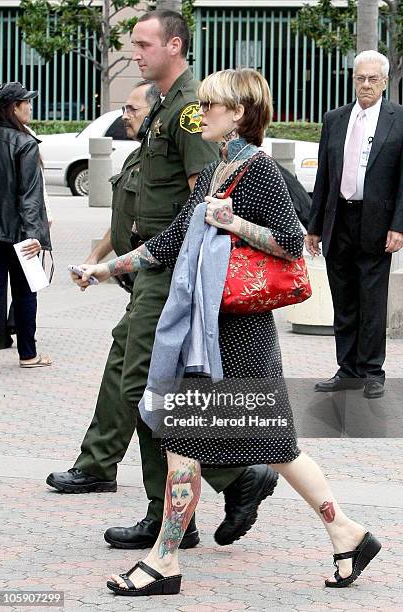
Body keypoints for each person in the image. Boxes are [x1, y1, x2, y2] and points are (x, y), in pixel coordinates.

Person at [76, 69, 381, 596]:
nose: (201, 115)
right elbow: (170, 241)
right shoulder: (222, 169)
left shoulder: (257, 168)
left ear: (238, 113)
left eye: (210, 107)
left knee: (207, 443)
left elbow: (291, 241)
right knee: (255, 445)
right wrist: (105, 268)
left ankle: (165, 561)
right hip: (212, 335)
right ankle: (347, 533)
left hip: (237, 336)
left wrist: (233, 223)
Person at [47, 10, 278, 550]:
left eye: (144, 44)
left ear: (174, 45)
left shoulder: (193, 107)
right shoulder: (165, 105)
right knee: (137, 377)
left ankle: (222, 482)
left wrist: (163, 260)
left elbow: (206, 199)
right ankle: (184, 502)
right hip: (152, 268)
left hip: (172, 270)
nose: (134, 53)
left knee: (150, 389)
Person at [306, 50, 403, 399]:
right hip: (338, 219)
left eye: (372, 79)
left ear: (385, 82)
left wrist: (399, 226)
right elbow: (324, 176)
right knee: (344, 300)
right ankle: (347, 370)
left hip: (377, 223)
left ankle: (372, 371)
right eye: (360, 78)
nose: (365, 85)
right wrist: (314, 227)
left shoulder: (399, 119)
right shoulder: (335, 119)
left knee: (372, 302)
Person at [0, 81, 52, 369]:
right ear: (13, 108)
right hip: (19, 233)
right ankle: (28, 354)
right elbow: (29, 196)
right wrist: (34, 236)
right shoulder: (25, 143)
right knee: (25, 291)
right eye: (25, 103)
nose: (30, 107)